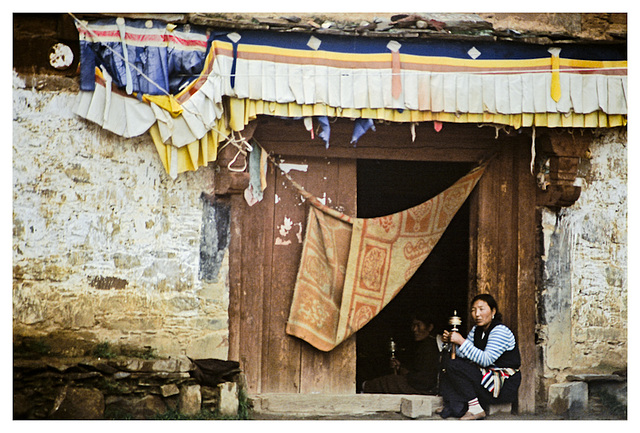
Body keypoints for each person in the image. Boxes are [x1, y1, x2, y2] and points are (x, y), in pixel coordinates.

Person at [438, 294, 521, 420]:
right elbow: (463, 354)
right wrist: (451, 343)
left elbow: (486, 360)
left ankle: (475, 408)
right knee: (449, 359)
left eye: (481, 309)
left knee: (454, 365)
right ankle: (454, 403)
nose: (477, 314)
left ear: (493, 311)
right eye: (473, 310)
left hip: (502, 383)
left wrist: (461, 341)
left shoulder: (500, 331)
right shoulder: (476, 330)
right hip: (485, 377)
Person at [362, 311, 442, 395]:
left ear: (430, 327)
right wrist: (400, 367)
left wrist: (405, 373)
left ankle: (363, 387)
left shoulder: (430, 347)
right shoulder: (423, 344)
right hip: (419, 384)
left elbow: (423, 381)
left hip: (425, 389)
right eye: (413, 325)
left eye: (418, 325)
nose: (414, 329)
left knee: (389, 381)